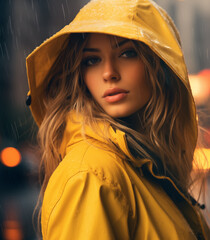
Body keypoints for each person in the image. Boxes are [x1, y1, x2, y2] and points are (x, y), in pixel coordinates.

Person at [26, 0, 210, 239]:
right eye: (92, 60)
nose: (108, 72)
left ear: (159, 64)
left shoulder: (145, 165)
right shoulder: (90, 176)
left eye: (127, 53)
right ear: (79, 75)